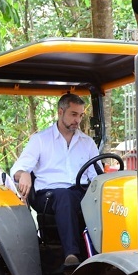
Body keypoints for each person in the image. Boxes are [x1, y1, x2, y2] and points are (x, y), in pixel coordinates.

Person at [11, 93, 99, 264]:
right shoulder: (40, 140)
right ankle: (71, 255)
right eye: (73, 114)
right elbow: (18, 169)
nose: (78, 120)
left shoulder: (87, 142)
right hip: (48, 195)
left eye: (80, 115)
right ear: (60, 112)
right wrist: (24, 174)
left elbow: (96, 175)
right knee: (64, 196)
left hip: (79, 193)